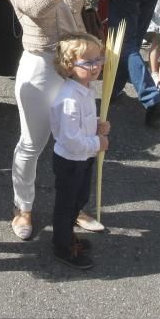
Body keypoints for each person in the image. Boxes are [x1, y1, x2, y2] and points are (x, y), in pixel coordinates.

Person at [2, 0, 121, 240]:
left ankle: (75, 206)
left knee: (81, 138)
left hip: (77, 65)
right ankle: (23, 207)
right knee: (32, 143)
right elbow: (35, 8)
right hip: (40, 64)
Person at [49, 33, 111, 270]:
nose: (95, 66)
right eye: (88, 62)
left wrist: (96, 124)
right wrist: (98, 143)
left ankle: (67, 236)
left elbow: (81, 124)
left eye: (98, 59)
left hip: (83, 158)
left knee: (80, 199)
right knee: (66, 206)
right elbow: (71, 139)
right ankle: (62, 246)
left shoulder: (86, 89)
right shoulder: (68, 99)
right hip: (70, 161)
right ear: (69, 66)